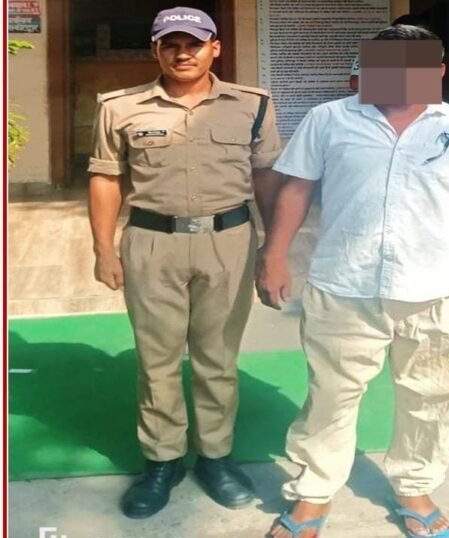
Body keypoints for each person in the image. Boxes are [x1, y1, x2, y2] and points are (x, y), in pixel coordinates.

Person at [257, 25, 449, 538]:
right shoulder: (328, 119)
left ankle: (414, 486)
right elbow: (296, 190)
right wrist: (274, 255)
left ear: (437, 72)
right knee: (330, 395)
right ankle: (314, 492)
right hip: (344, 285)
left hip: (436, 289)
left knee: (432, 395)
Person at [88, 6, 282, 519]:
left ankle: (215, 457)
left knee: (217, 358)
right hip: (153, 243)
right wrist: (103, 249)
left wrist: (275, 248)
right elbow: (105, 177)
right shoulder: (119, 107)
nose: (182, 53)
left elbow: (266, 175)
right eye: (170, 44)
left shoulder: (252, 105)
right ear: (155, 50)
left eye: (193, 44)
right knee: (157, 362)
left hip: (229, 241)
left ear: (215, 48)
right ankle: (162, 460)